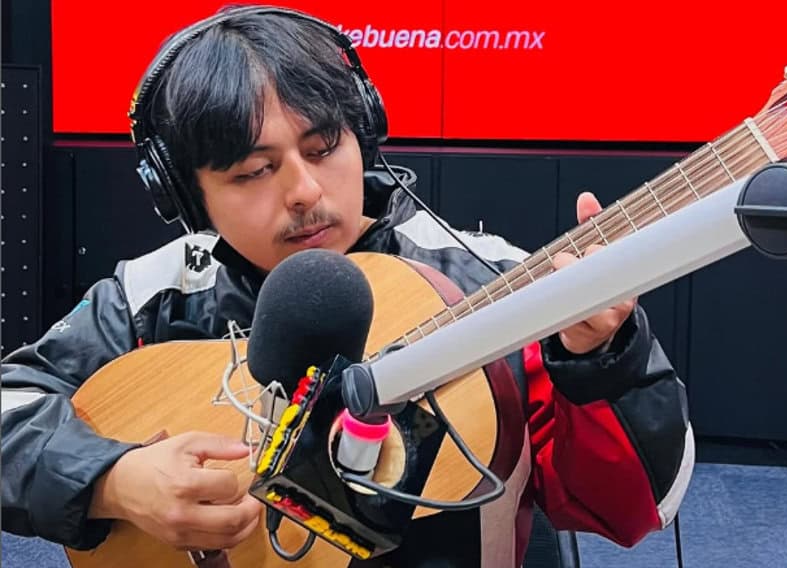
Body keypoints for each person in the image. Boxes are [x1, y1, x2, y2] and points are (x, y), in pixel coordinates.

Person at [1, 5, 694, 567]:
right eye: (251, 171)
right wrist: (113, 481)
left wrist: (603, 361)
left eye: (324, 146)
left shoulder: (490, 279)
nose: (304, 192)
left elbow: (638, 505)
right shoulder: (156, 295)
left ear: (365, 133)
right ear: (190, 197)